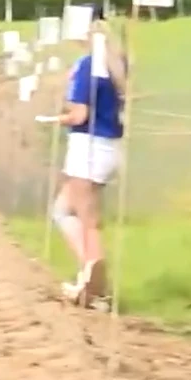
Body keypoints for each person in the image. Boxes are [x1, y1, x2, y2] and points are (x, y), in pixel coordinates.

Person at [55, 16, 127, 307]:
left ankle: (93, 271)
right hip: (109, 147)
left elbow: (80, 114)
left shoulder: (87, 66)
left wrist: (58, 118)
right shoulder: (116, 64)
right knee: (63, 209)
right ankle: (94, 281)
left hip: (87, 145)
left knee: (85, 216)